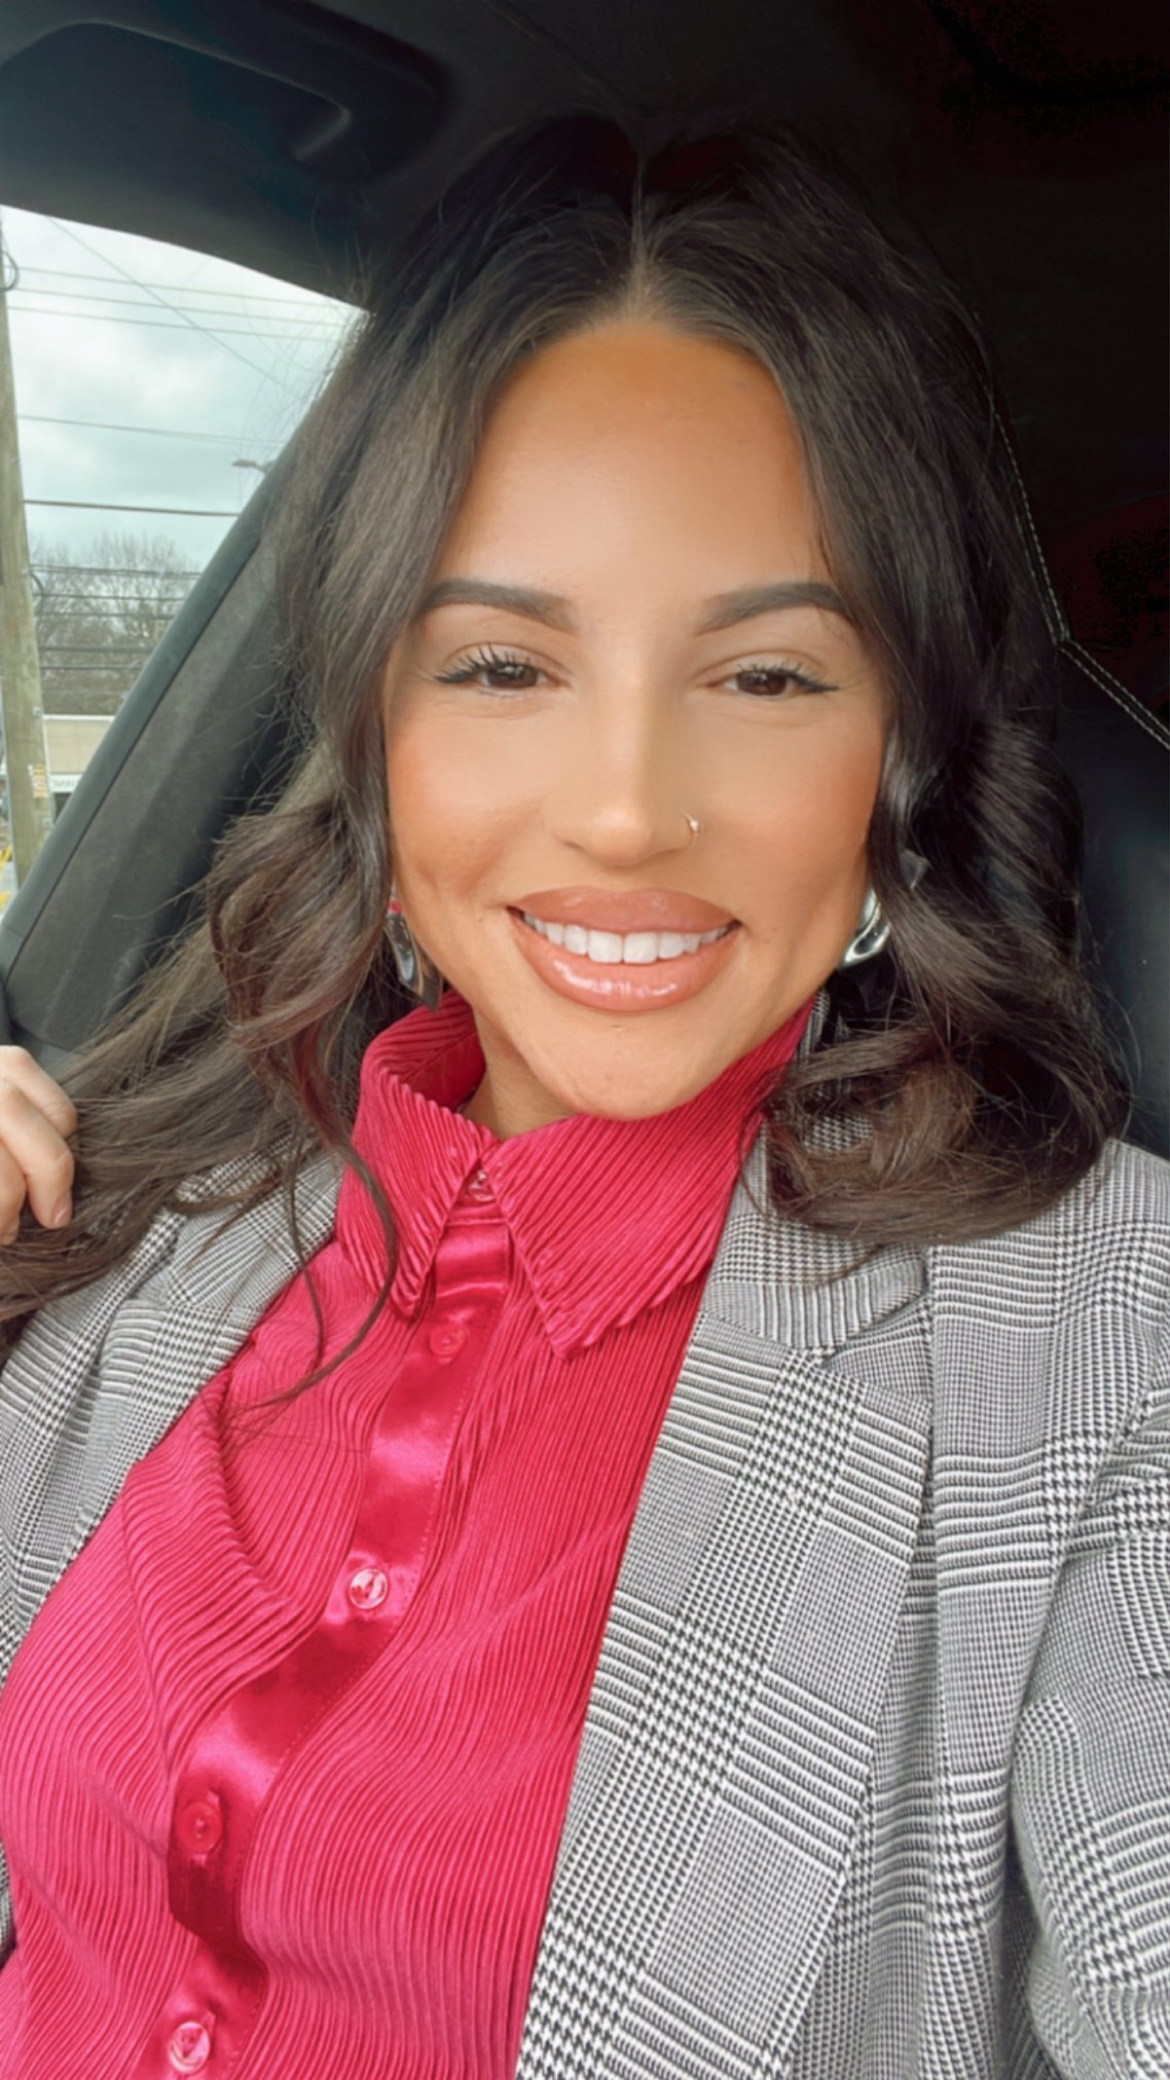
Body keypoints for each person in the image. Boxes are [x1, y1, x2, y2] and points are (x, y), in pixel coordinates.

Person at [0, 115, 1165, 2080]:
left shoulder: (1102, 1343)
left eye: (768, 677)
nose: (627, 810)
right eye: (501, 666)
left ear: (900, 753)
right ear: (372, 721)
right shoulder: (163, 1202)